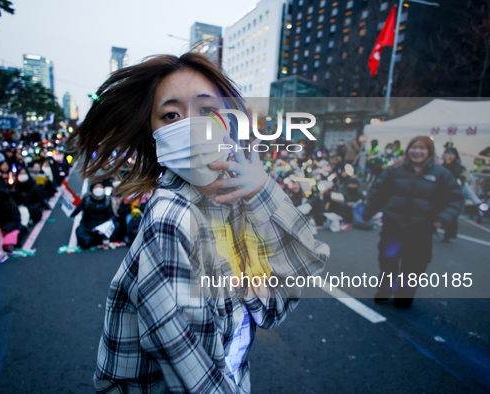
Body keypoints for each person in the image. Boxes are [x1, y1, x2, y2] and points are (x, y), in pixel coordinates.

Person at [71, 53, 329, 393]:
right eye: (171, 115)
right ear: (153, 133)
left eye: (207, 111)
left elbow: (292, 284)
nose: (191, 127)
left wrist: (265, 191)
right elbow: (194, 373)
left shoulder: (233, 205)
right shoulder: (170, 219)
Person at [362, 136, 464, 308]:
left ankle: (405, 295)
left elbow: (455, 199)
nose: (417, 152)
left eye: (422, 148)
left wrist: (442, 219)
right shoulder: (394, 171)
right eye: (414, 148)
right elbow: (377, 193)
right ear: (408, 149)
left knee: (414, 266)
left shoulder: (441, 174)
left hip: (421, 230)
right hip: (393, 227)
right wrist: (367, 213)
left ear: (429, 152)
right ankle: (386, 289)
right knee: (388, 260)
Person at [70, 183, 115, 249]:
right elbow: (76, 211)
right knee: (81, 236)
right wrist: (70, 209)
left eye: (100, 187)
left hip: (101, 226)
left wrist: (108, 225)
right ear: (92, 189)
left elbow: (111, 215)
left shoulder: (107, 200)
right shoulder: (87, 199)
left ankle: (97, 239)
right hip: (87, 225)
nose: (98, 189)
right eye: (96, 187)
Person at [441, 147, 466, 242]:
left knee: (450, 213)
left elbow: (459, 178)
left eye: (451, 154)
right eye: (447, 153)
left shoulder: (459, 168)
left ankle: (448, 234)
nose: (449, 156)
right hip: (440, 192)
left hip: (453, 194)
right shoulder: (440, 165)